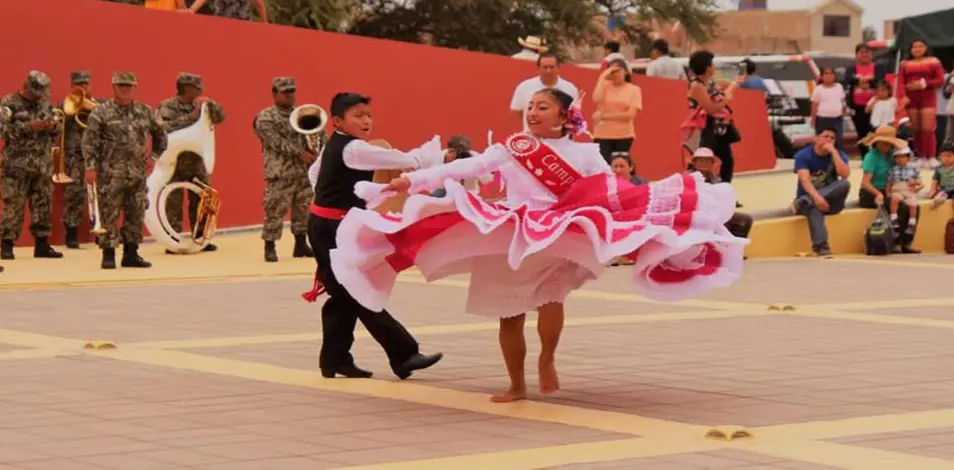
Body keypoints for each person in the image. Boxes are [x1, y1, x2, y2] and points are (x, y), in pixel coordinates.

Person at [328, 88, 745, 402]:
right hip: (512, 228)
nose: (532, 112)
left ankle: (547, 359)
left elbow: (609, 189)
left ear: (565, 116)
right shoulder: (511, 147)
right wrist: (414, 180)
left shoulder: (584, 152)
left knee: (550, 300)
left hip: (560, 230)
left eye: (542, 106)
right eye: (530, 106)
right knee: (508, 313)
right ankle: (516, 383)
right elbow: (469, 165)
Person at [303, 92, 443, 379]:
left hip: (328, 225)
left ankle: (335, 359)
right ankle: (404, 354)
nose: (366, 121)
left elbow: (314, 175)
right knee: (356, 292)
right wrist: (430, 156)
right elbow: (408, 160)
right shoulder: (353, 149)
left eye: (368, 115)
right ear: (338, 121)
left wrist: (336, 200)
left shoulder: (337, 146)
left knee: (343, 295)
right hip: (331, 229)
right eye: (358, 116)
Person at [82, 72, 168, 269]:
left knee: (136, 212)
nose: (125, 88)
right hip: (110, 173)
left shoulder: (145, 111)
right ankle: (108, 253)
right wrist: (90, 167)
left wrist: (154, 156)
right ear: (113, 86)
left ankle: (131, 253)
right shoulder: (101, 112)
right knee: (109, 213)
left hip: (137, 173)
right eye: (121, 85)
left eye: (128, 85)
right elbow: (89, 142)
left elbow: (161, 135)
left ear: (134, 87)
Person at [155, 73, 226, 253]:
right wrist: (193, 116)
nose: (200, 91)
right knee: (173, 201)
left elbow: (220, 118)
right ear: (186, 89)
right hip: (176, 160)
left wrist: (211, 105)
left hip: (197, 160)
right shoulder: (168, 106)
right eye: (197, 88)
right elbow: (165, 129)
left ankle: (201, 238)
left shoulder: (204, 105)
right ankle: (173, 239)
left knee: (203, 199)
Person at [253, 77, 319, 262]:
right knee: (275, 209)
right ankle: (270, 246)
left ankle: (300, 244)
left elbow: (316, 133)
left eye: (292, 92)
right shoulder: (266, 117)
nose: (290, 96)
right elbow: (274, 142)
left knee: (303, 209)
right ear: (275, 94)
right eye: (286, 93)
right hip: (280, 171)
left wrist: (316, 146)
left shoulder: (301, 114)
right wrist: (300, 153)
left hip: (303, 171)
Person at [0, 70, 64, 261]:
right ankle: (7, 245)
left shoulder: (45, 104)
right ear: (26, 87)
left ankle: (42, 245)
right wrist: (28, 127)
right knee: (13, 207)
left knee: (43, 205)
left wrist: (52, 126)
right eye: (36, 92)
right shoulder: (8, 103)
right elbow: (3, 131)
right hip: (15, 167)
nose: (39, 97)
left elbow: (58, 127)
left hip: (42, 165)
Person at [857, 125, 920, 253]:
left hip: (890, 190)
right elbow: (865, 183)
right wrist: (877, 193)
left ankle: (907, 242)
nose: (886, 146)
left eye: (888, 143)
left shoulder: (892, 154)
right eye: (883, 143)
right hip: (871, 192)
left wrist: (913, 183)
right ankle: (896, 243)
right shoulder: (871, 157)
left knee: (914, 206)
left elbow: (906, 167)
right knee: (901, 208)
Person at [792, 127, 851, 257]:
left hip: (829, 202)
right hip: (810, 200)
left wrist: (834, 153)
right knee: (814, 209)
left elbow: (845, 175)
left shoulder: (838, 154)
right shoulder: (803, 156)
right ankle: (821, 247)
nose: (829, 140)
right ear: (816, 139)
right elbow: (805, 180)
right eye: (825, 136)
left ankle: (806, 200)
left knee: (844, 184)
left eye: (832, 138)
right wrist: (817, 199)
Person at [61, 70, 103, 248]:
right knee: (74, 194)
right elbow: (59, 124)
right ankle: (71, 234)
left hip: (96, 156)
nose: (83, 87)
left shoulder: (101, 105)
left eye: (86, 84)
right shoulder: (66, 104)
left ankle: (101, 232)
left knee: (101, 195)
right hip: (75, 156)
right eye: (79, 84)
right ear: (72, 86)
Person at [683, 50, 738, 182]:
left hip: (719, 128)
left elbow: (721, 97)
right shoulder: (697, 86)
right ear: (707, 67)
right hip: (706, 128)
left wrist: (734, 85)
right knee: (703, 162)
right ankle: (701, 188)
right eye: (711, 64)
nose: (714, 67)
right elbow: (710, 108)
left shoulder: (710, 83)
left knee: (727, 161)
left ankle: (725, 190)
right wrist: (727, 100)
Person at [897, 39, 945, 166]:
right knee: (916, 129)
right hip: (911, 98)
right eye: (914, 46)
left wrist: (924, 84)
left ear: (926, 48)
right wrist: (903, 96)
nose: (917, 49)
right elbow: (900, 82)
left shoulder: (934, 61)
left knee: (927, 128)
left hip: (928, 97)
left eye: (920, 46)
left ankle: (931, 156)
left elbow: (940, 80)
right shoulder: (904, 64)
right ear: (911, 49)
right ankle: (920, 156)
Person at [688, 147, 753, 240]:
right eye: (700, 160)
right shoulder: (688, 178)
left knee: (745, 220)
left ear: (712, 163)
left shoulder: (715, 178)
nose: (704, 163)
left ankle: (735, 250)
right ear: (694, 163)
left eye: (707, 161)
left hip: (717, 214)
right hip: (698, 217)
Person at [509, 53, 579, 131]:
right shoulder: (525, 87)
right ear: (538, 69)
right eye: (545, 67)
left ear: (558, 68)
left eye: (551, 67)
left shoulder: (570, 88)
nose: (548, 71)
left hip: (561, 137)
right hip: (533, 136)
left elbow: (574, 113)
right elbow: (516, 110)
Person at [592, 59, 642, 162]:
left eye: (618, 70)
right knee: (603, 165)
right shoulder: (604, 86)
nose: (615, 74)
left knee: (619, 165)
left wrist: (604, 116)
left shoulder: (633, 90)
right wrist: (602, 77)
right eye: (612, 71)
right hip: (602, 135)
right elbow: (596, 98)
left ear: (626, 72)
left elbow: (629, 115)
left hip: (623, 135)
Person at [844, 43, 888, 157]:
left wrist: (867, 83)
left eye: (867, 52)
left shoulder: (879, 67)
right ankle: (865, 157)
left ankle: (878, 155)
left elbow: (880, 80)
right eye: (862, 52)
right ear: (856, 54)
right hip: (857, 106)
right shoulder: (851, 68)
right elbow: (849, 79)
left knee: (876, 131)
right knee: (862, 132)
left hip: (876, 106)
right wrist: (863, 81)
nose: (865, 54)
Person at [886, 148, 922, 235]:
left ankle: (912, 223)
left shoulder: (913, 168)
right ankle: (894, 217)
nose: (900, 160)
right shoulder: (893, 169)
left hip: (909, 189)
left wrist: (917, 185)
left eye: (903, 157)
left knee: (913, 205)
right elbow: (890, 182)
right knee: (895, 198)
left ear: (908, 158)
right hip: (898, 188)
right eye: (897, 157)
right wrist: (887, 192)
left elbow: (920, 182)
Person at [930, 143, 954, 218]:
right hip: (944, 189)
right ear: (940, 157)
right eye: (944, 156)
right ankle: (937, 200)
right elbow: (935, 180)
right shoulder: (939, 169)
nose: (946, 158)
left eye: (949, 156)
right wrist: (932, 190)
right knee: (939, 196)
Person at [811, 67, 846, 148]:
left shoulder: (839, 87)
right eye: (826, 73)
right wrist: (813, 119)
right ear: (822, 76)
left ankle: (837, 158)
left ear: (834, 76)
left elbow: (842, 100)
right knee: (822, 141)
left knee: (838, 140)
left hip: (837, 119)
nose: (829, 75)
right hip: (822, 119)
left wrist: (843, 111)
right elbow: (814, 104)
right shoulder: (818, 89)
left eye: (831, 73)